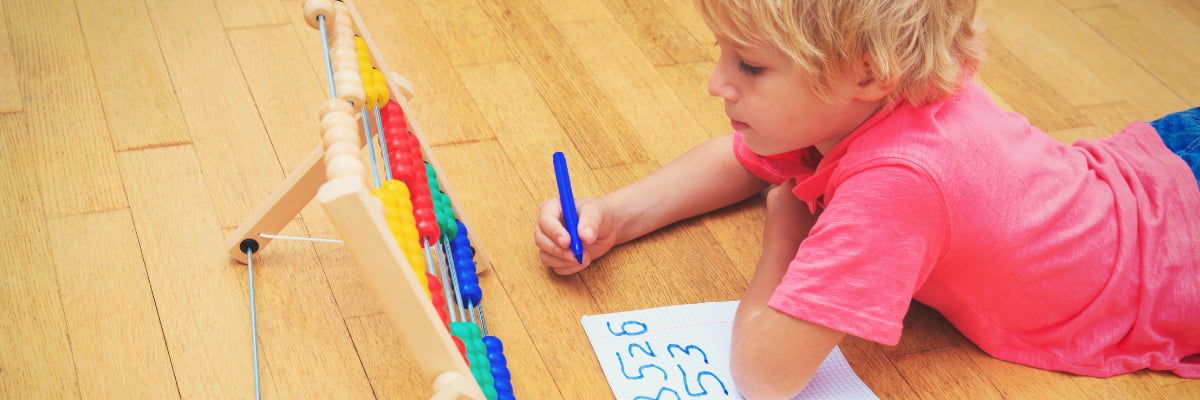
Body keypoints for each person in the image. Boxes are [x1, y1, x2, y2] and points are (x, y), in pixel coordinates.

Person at [532, 0, 1200, 398]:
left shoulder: (899, 184)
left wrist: (786, 227)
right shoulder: (881, 90)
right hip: (1164, 165)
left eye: (750, 66)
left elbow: (764, 377)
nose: (716, 84)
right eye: (724, 55)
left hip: (1173, 271)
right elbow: (745, 157)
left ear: (868, 73)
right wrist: (616, 215)